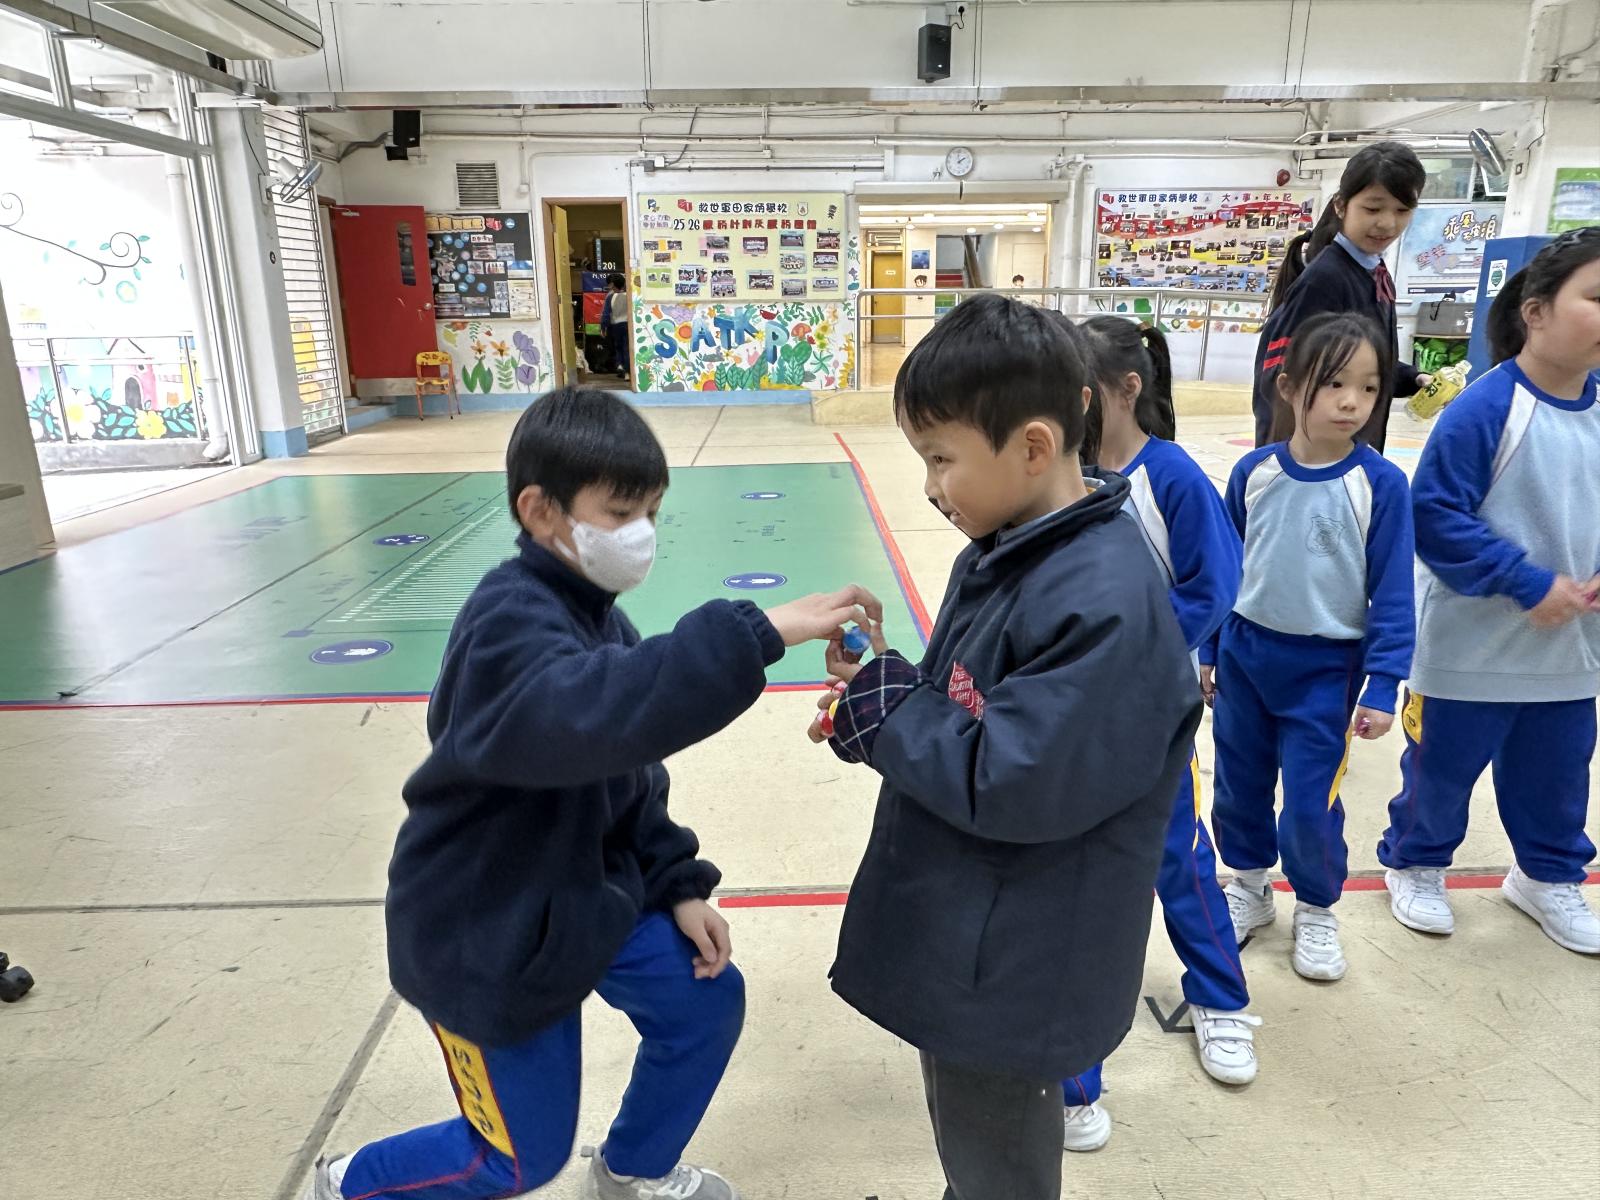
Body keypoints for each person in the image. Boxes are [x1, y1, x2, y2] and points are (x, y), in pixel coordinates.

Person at [304, 388, 882, 1200]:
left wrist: (677, 884)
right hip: (488, 930)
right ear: (540, 511)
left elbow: (628, 774)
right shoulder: (504, 623)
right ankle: (351, 1183)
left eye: (650, 512)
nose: (640, 533)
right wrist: (755, 633)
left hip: (583, 891)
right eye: (619, 512)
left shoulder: (598, 618)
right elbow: (589, 715)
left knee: (702, 1003)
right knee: (517, 1158)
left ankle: (632, 1168)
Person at [808, 294, 1203, 1199]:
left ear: (1031, 447)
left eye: (940, 459)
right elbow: (964, 702)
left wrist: (884, 712)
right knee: (970, 1136)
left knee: (999, 1160)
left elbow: (1012, 776)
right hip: (974, 930)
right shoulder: (1007, 547)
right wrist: (878, 690)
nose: (930, 486)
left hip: (1020, 959)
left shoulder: (1101, 601)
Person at [1062, 317, 1258, 1154]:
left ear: (1124, 388)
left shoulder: (1170, 476)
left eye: (1075, 389)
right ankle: (1072, 1077)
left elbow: (1216, 585)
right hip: (1070, 720)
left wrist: (1129, 651)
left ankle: (1221, 1000)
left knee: (1177, 859)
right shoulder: (1060, 475)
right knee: (1071, 883)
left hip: (1150, 713)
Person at [1378, 227, 1600, 954]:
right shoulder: (1485, 407)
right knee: (1440, 772)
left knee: (1558, 775)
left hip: (1570, 653)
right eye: (1596, 297)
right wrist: (1525, 582)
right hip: (1470, 650)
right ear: (1535, 312)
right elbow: (1435, 516)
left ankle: (1546, 875)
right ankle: (1415, 864)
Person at [1210, 313, 1415, 983]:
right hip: (1244, 659)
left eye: (1369, 387)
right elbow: (1223, 572)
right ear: (1291, 388)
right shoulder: (1253, 473)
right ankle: (1248, 886)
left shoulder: (1381, 485)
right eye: (1334, 384)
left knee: (1308, 802)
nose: (1353, 402)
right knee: (1238, 787)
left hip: (1326, 672)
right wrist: (1209, 650)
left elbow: (1393, 592)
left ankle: (1319, 907)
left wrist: (1383, 683)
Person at [1251, 142, 1432, 450]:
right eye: (1373, 209)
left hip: (1352, 450)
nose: (1388, 223)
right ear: (1340, 205)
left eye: (1402, 210)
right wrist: (1292, 461)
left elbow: (1363, 361)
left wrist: (1413, 378)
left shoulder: (1375, 273)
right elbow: (1280, 378)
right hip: (1316, 457)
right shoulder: (1325, 280)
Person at [603, 272, 630, 380]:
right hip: (628, 325)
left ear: (613, 284)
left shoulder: (610, 297)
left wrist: (603, 327)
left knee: (618, 347)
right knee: (627, 348)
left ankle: (620, 365)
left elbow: (606, 313)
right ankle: (628, 372)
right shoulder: (630, 295)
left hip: (616, 326)